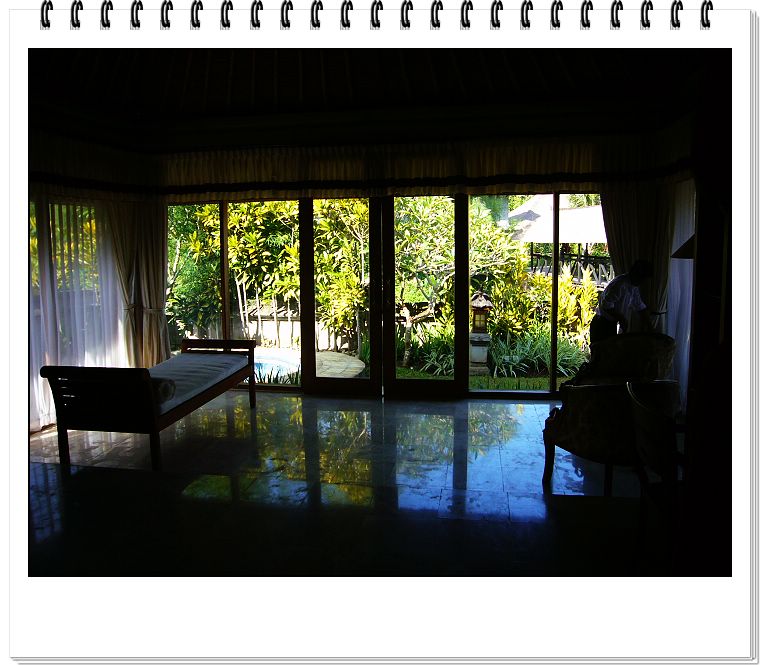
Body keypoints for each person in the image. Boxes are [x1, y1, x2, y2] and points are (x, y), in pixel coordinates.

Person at [589, 259, 653, 345]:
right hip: (601, 324)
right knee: (601, 350)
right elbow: (606, 305)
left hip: (610, 324)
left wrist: (650, 327)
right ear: (636, 274)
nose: (643, 282)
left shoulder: (633, 287)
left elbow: (640, 306)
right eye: (643, 279)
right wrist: (622, 319)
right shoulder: (620, 284)